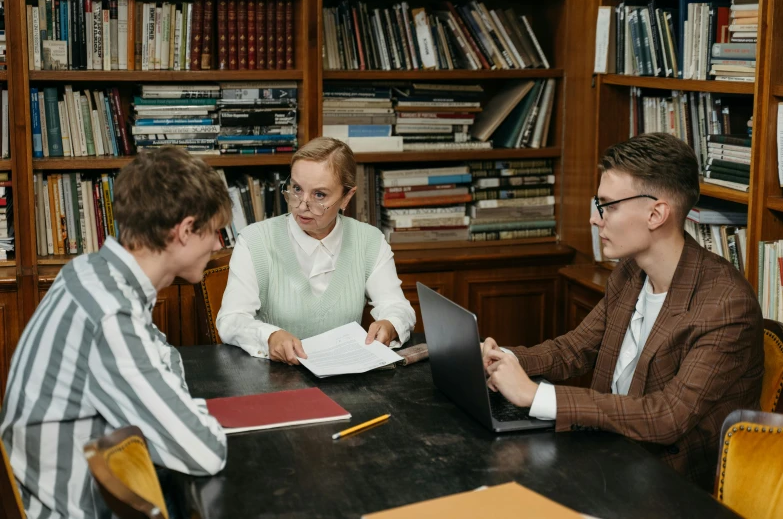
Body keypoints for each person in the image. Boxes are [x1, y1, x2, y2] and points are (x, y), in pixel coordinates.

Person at [482, 133, 763, 489]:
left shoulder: (726, 305)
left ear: (656, 213)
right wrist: (501, 358)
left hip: (669, 486)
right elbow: (575, 349)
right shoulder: (631, 271)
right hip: (607, 456)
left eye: (609, 206)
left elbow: (666, 417)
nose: (595, 220)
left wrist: (534, 395)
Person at [0, 148, 231, 519]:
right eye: (215, 231)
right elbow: (203, 450)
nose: (219, 245)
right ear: (185, 231)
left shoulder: (89, 271)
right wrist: (189, 415)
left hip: (52, 487)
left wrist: (177, 407)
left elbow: (166, 359)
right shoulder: (112, 313)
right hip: (72, 508)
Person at [217, 137, 416, 364]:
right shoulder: (254, 241)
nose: (302, 205)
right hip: (275, 380)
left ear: (346, 197)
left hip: (345, 381)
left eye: (319, 195)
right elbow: (231, 319)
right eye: (297, 189)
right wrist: (270, 336)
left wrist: (390, 324)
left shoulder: (369, 241)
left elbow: (398, 307)